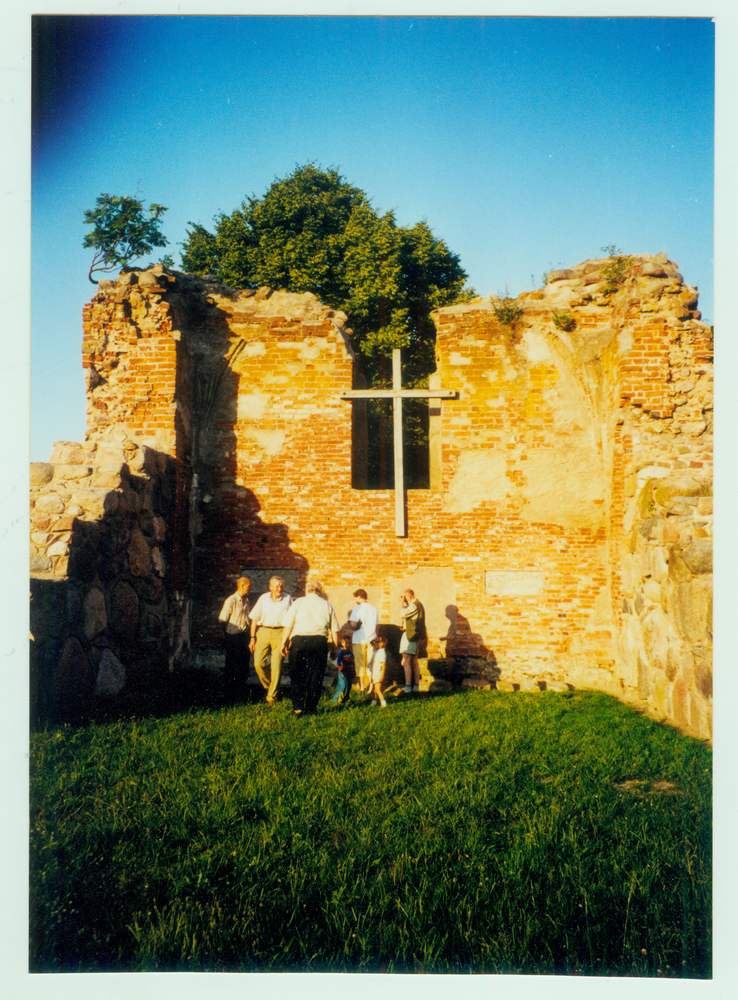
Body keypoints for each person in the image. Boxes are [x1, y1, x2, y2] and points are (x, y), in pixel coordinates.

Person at [280, 579, 339, 717]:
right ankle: (311, 708)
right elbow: (334, 630)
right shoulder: (327, 605)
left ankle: (298, 708)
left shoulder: (298, 602)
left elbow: (288, 625)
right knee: (316, 676)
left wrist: (283, 642)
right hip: (319, 641)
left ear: (307, 590)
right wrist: (335, 648)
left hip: (299, 640)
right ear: (320, 592)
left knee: (297, 675)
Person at [249, 576, 292, 706]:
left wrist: (288, 638)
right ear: (271, 587)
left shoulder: (288, 599)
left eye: (281, 586)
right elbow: (254, 618)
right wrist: (252, 638)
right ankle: (269, 686)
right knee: (258, 663)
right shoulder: (263, 598)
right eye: (277, 586)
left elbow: (291, 619)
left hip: (280, 632)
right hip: (263, 631)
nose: (279, 589)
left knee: (277, 665)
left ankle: (271, 695)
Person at [218, 576, 251, 701]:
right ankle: (229, 693)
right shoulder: (231, 600)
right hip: (233, 636)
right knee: (232, 665)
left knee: (243, 664)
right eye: (249, 586)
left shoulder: (246, 600)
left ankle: (240, 691)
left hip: (244, 636)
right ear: (242, 586)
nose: (250, 588)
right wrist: (227, 634)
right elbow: (222, 619)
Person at [347, 589, 379, 693]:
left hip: (359, 639)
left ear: (359, 597)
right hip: (371, 639)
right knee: (370, 664)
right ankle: (370, 686)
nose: (356, 600)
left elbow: (353, 624)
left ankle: (361, 687)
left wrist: (353, 626)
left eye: (356, 598)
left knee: (360, 664)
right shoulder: (374, 609)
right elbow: (377, 626)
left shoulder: (357, 608)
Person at [400, 589, 426, 693]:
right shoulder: (417, 604)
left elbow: (402, 614)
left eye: (404, 597)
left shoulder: (414, 605)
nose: (403, 599)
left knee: (406, 661)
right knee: (414, 661)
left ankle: (407, 687)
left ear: (408, 596)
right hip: (414, 634)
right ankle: (416, 686)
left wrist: (401, 604)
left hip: (411, 635)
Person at [332, 636, 355, 706]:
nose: (347, 644)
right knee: (343, 686)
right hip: (343, 672)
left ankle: (346, 699)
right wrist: (342, 671)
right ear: (342, 643)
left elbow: (352, 662)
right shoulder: (341, 652)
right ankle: (336, 700)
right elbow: (339, 663)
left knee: (348, 686)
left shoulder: (350, 653)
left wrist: (353, 671)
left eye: (349, 643)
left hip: (349, 672)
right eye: (346, 643)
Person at [367, 635, 388, 708]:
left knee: (378, 690)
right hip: (374, 673)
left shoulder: (382, 652)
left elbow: (383, 665)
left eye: (375, 642)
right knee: (375, 691)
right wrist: (373, 641)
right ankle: (374, 702)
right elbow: (370, 643)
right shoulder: (376, 651)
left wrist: (382, 675)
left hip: (378, 673)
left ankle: (384, 703)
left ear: (381, 643)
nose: (374, 643)